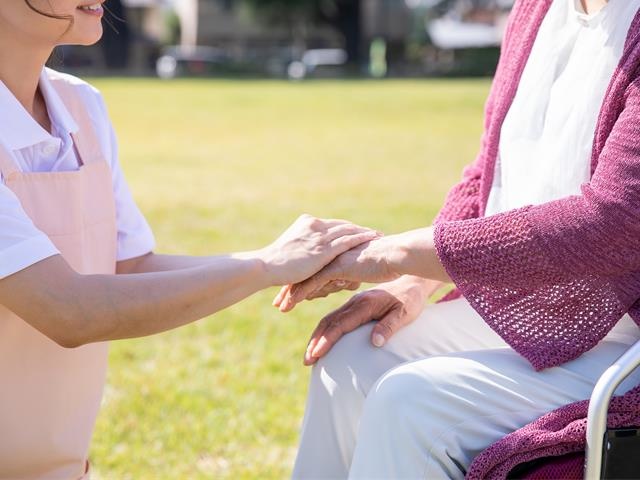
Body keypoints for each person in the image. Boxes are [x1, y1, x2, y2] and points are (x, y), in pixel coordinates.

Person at [0, 2, 379, 478]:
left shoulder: (81, 106)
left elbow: (130, 267)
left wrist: (278, 263)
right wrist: (265, 266)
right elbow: (68, 308)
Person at [278, 0, 640, 478]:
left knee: (408, 404)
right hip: (525, 311)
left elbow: (613, 223)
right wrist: (413, 282)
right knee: (351, 358)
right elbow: (487, 174)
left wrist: (398, 255)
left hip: (623, 339)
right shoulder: (536, 9)